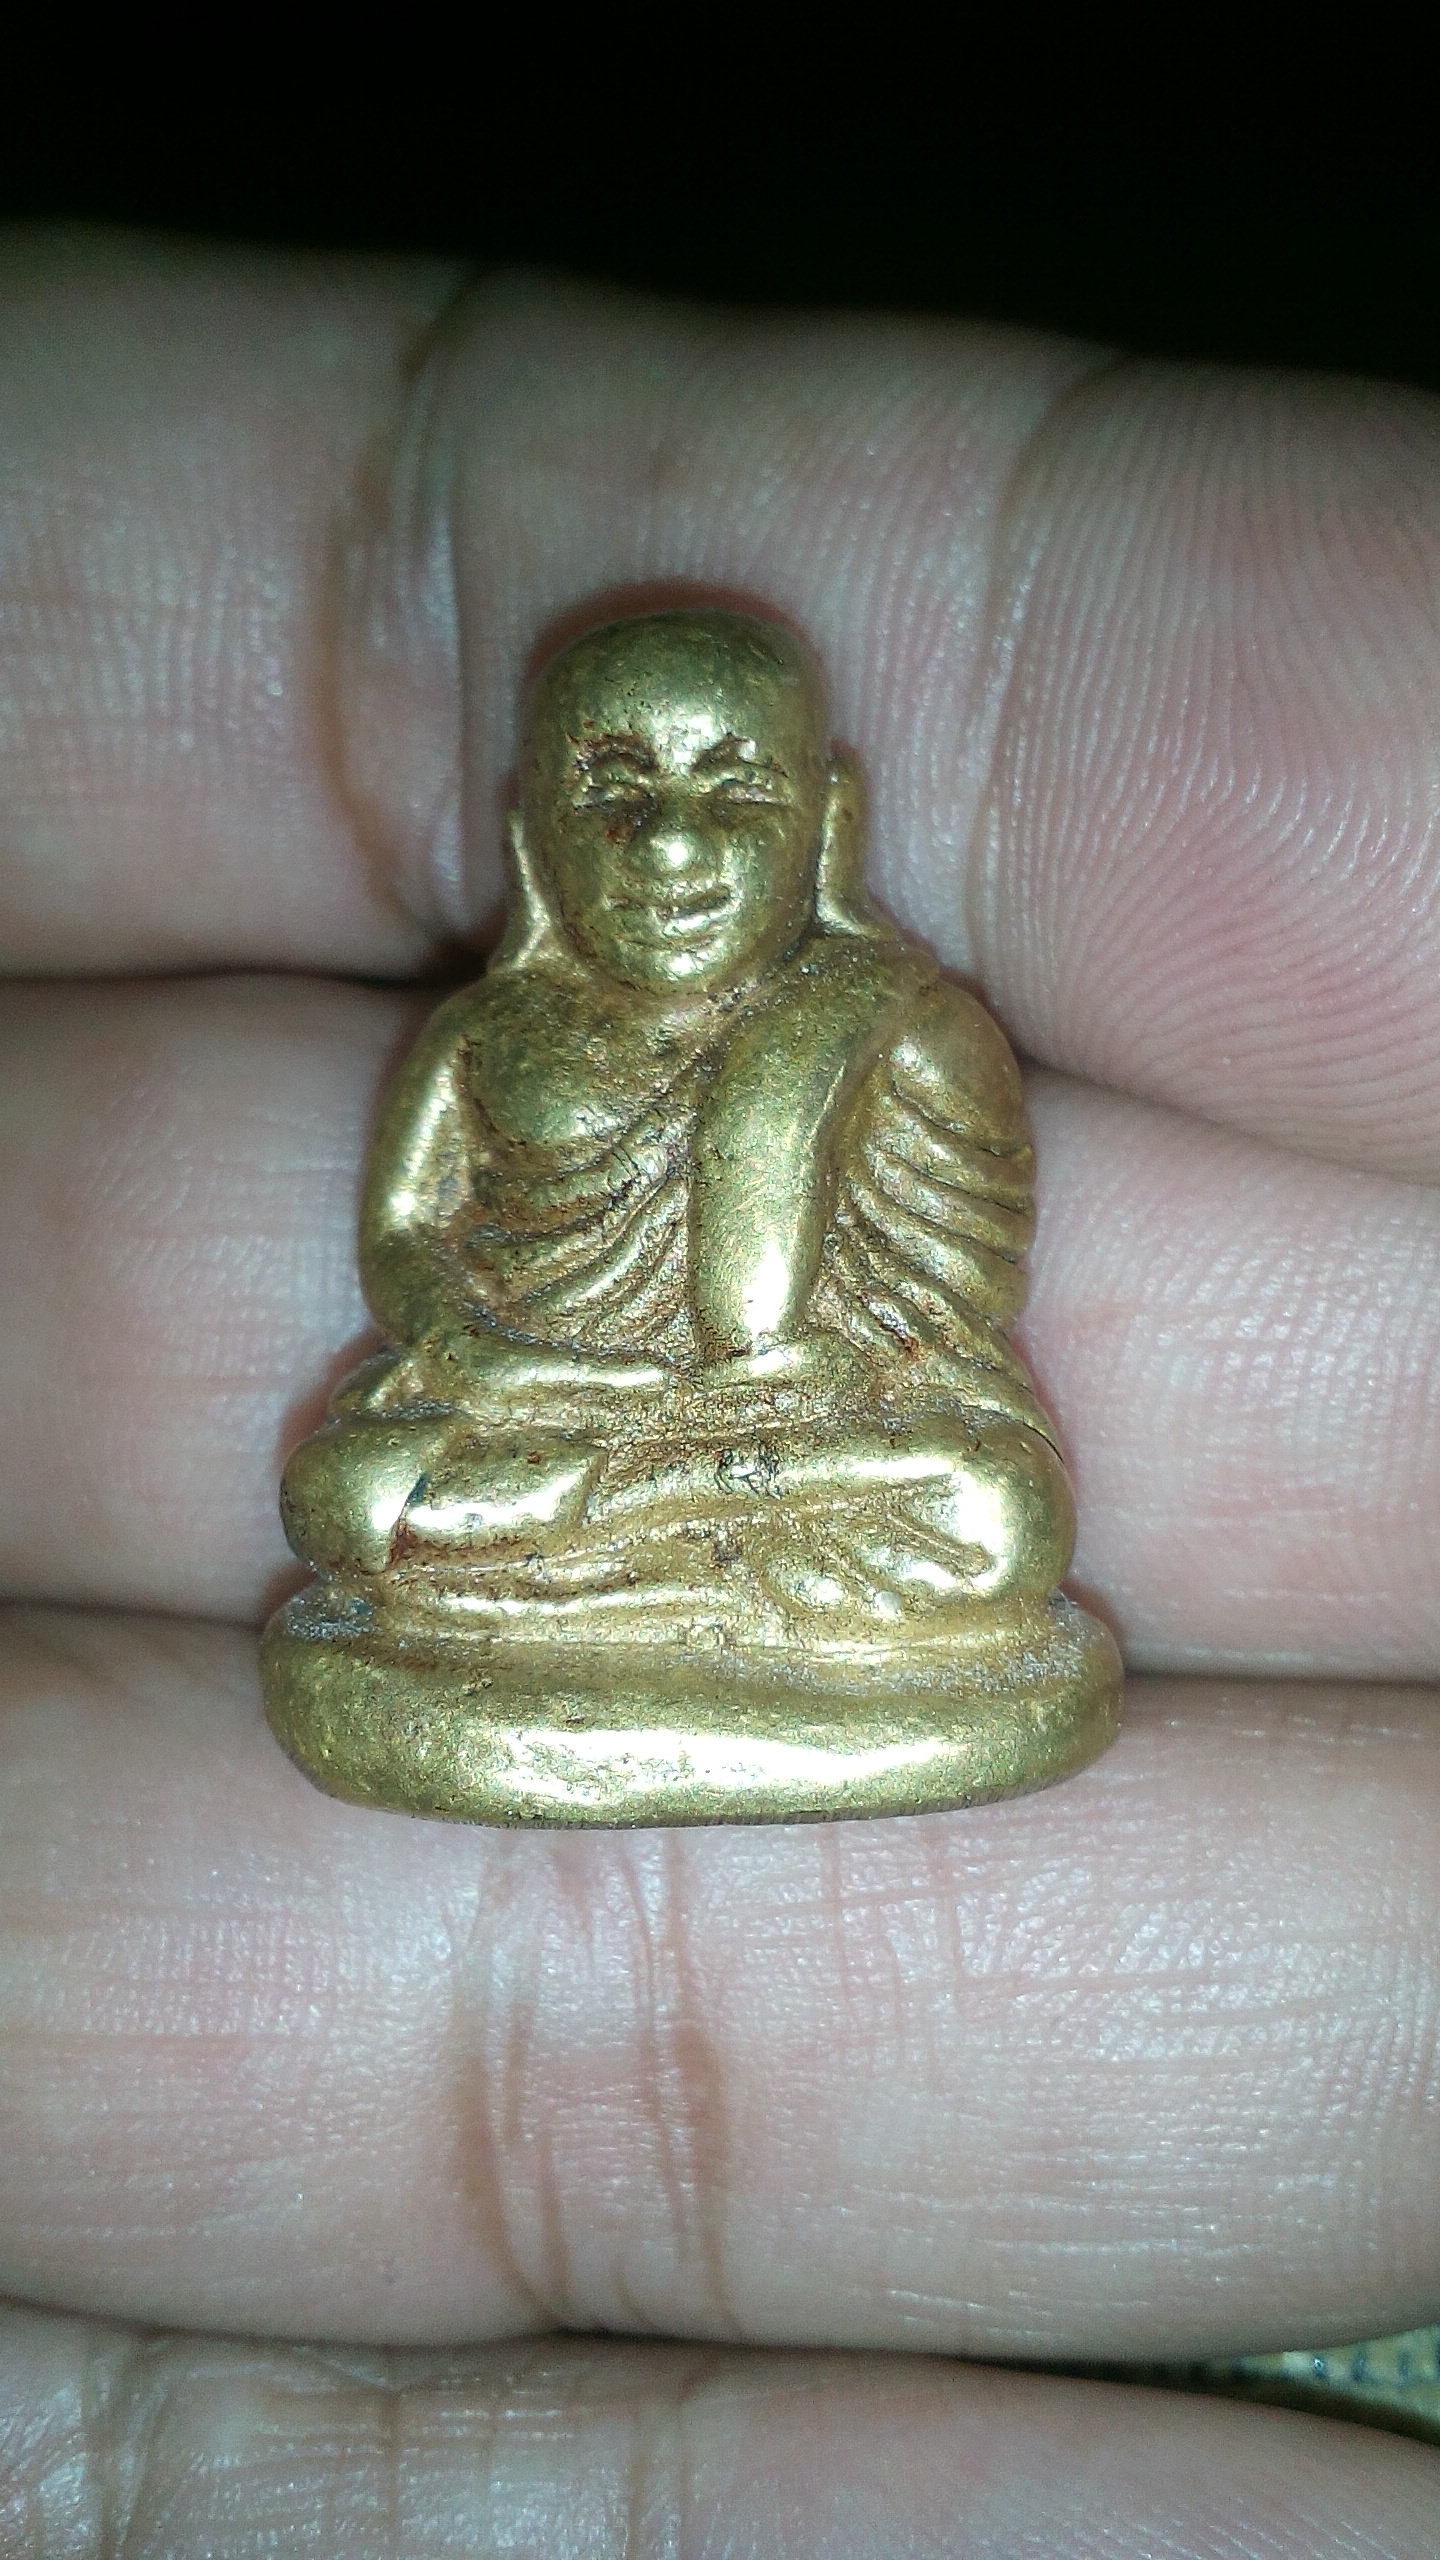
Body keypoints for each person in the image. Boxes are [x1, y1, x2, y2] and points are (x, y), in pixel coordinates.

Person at [0, 229, 1436, 2548]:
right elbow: (415, 1272)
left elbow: (949, 1318)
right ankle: (636, 1546)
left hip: (822, 1456)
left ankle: (630, 1552)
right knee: (362, 1497)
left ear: (824, 823)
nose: (674, 845)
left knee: (992, 1522)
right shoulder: (491, 1036)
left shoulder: (898, 1026)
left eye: (729, 792)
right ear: (536, 834)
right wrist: (553, 1393)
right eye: (618, 790)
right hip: (572, 1442)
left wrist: (772, 1403)